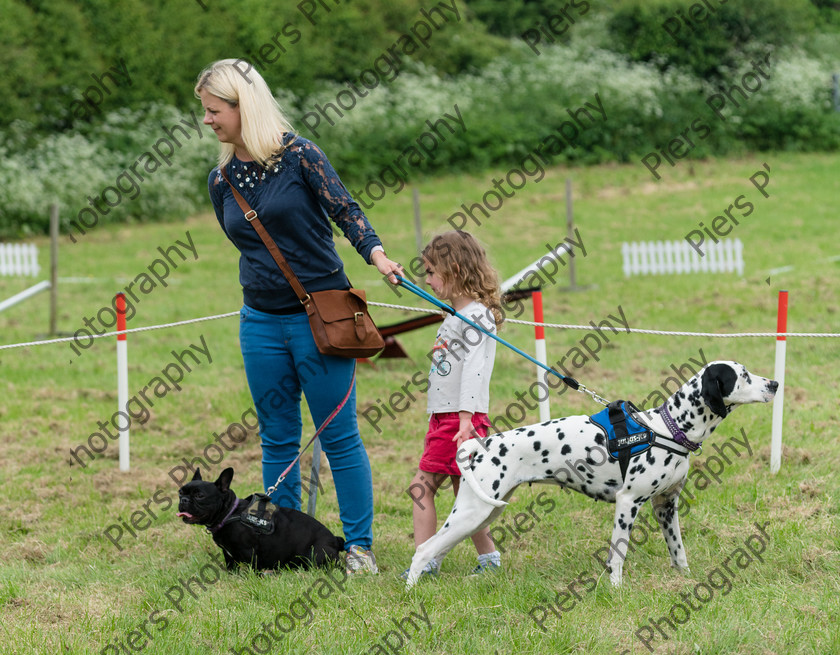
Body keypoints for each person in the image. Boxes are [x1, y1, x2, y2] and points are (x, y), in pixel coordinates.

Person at [195, 59, 402, 574]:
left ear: (244, 106)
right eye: (205, 111)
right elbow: (250, 250)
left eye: (214, 110)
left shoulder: (300, 155)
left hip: (322, 318)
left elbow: (345, 210)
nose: (207, 121)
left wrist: (375, 255)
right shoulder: (220, 180)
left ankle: (358, 547)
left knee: (339, 436)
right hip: (259, 322)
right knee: (277, 436)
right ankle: (277, 546)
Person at [402, 231, 503, 580]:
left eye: (431, 272)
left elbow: (475, 372)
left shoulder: (476, 317)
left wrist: (464, 421)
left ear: (455, 270)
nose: (427, 280)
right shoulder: (459, 313)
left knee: (421, 488)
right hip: (449, 418)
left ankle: (425, 561)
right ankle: (489, 559)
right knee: (466, 493)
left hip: (459, 420)